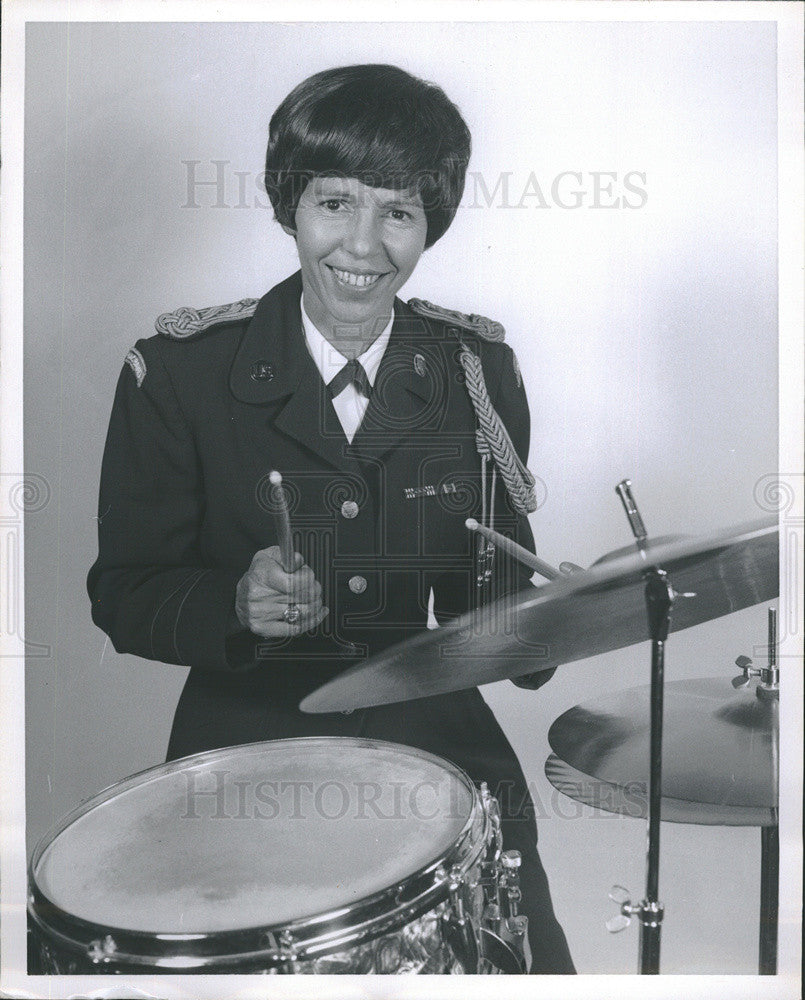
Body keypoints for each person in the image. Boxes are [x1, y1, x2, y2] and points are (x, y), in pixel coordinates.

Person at [87, 63, 574, 975]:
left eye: (398, 212)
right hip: (241, 752)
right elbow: (125, 591)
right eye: (335, 203)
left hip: (441, 747)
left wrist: (562, 616)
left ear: (431, 222)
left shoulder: (476, 368)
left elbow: (497, 593)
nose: (363, 244)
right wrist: (232, 602)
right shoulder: (180, 372)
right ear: (289, 206)